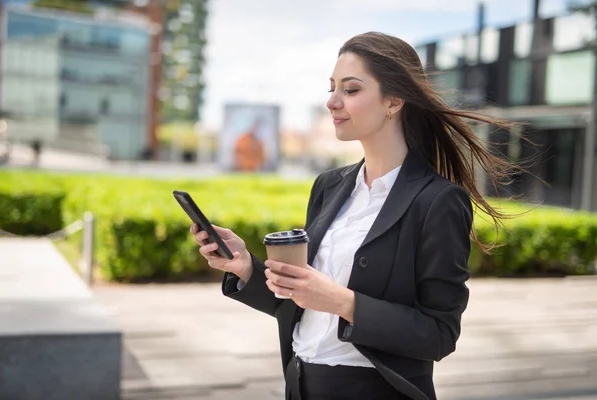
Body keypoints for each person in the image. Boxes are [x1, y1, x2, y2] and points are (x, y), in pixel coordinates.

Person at [190, 32, 517, 400]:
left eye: (350, 89)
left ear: (393, 101)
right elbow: (302, 304)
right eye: (332, 88)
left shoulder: (438, 201)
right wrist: (245, 266)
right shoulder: (329, 186)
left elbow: (439, 333)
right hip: (301, 384)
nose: (332, 102)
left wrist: (344, 302)